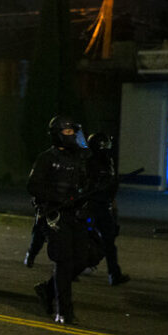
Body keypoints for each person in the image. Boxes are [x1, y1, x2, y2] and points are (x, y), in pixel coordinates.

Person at [27, 115, 91, 324]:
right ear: (58, 134)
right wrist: (59, 198)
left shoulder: (79, 159)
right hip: (55, 215)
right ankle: (64, 311)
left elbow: (86, 184)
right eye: (68, 132)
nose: (72, 136)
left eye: (74, 132)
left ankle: (47, 289)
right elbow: (33, 186)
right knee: (64, 261)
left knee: (82, 259)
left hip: (76, 215)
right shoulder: (47, 158)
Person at [85, 132, 129, 286]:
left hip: (105, 206)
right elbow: (85, 186)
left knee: (110, 241)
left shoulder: (108, 162)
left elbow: (111, 187)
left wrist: (112, 202)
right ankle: (78, 268)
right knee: (88, 239)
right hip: (92, 206)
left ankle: (114, 274)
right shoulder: (89, 163)